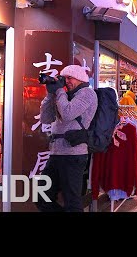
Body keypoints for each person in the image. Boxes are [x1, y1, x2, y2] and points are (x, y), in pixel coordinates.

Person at [36, 65, 98, 212]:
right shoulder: (63, 96)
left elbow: (68, 113)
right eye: (64, 78)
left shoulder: (87, 93)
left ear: (80, 79)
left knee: (72, 201)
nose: (66, 81)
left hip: (74, 155)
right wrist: (50, 95)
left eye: (70, 78)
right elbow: (46, 118)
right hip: (56, 154)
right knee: (42, 196)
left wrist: (58, 92)